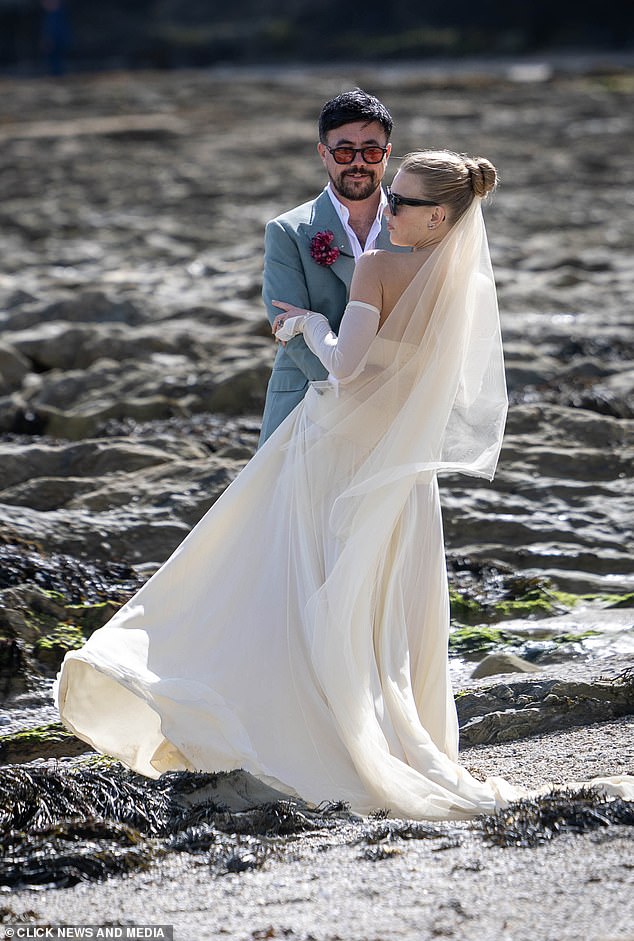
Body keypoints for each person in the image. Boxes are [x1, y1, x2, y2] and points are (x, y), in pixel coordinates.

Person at [55, 151, 634, 820]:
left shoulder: (379, 266)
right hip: (402, 474)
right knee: (374, 611)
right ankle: (369, 733)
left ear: (439, 214)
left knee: (273, 586)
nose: (386, 209)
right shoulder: (469, 286)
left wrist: (307, 323)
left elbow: (346, 368)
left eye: (402, 202)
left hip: (333, 454)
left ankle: (292, 733)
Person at [258, 88, 408, 445]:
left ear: (386, 155)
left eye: (370, 151)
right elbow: (287, 329)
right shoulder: (287, 231)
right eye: (344, 151)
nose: (358, 162)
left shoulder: (415, 227)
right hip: (308, 403)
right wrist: (348, 393)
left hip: (397, 403)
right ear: (323, 153)